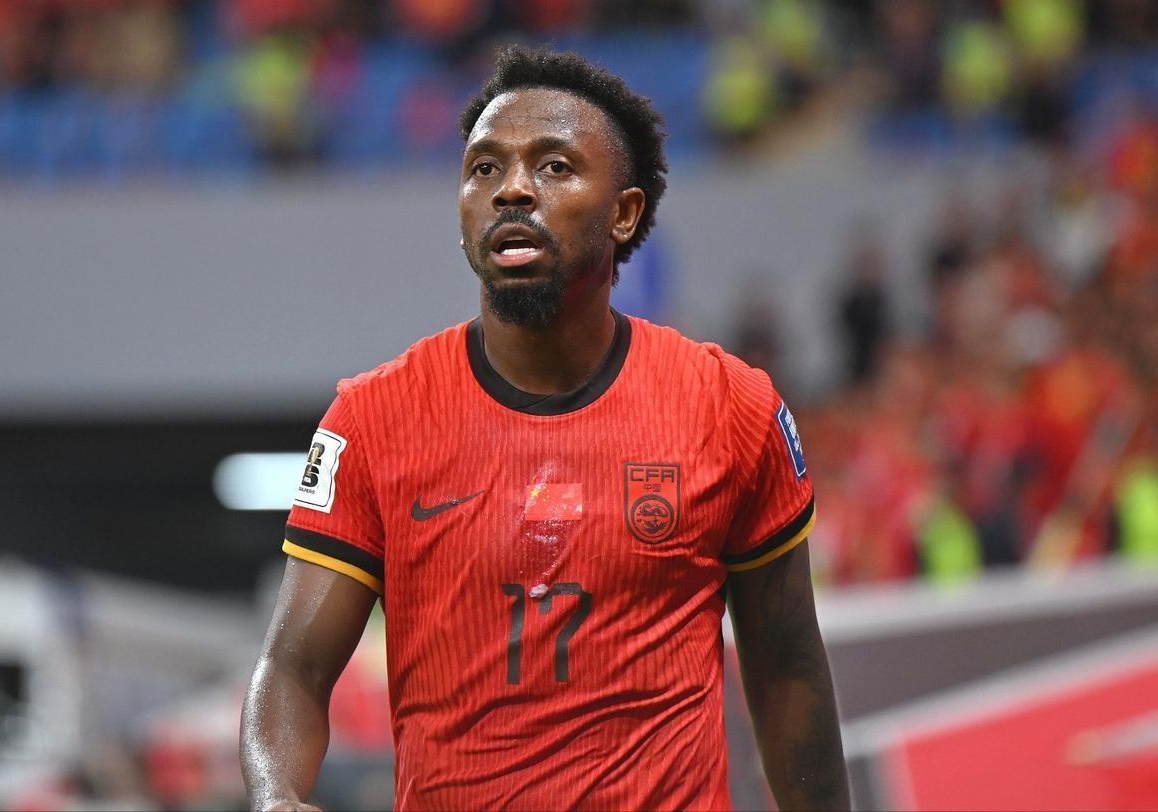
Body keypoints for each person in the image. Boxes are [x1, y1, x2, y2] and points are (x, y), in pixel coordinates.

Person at [240, 46, 850, 812]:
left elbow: (788, 668)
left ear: (624, 213)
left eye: (554, 166)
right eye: (484, 168)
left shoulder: (731, 407)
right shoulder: (372, 419)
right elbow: (293, 668)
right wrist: (274, 797)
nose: (512, 189)